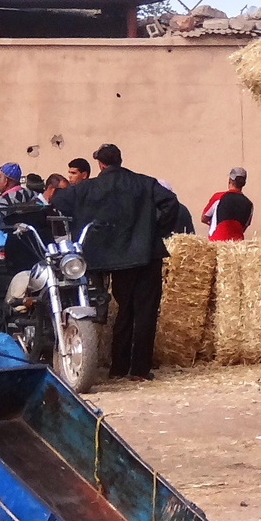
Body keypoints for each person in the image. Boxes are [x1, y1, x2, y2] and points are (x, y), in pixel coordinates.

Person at [53, 143, 178, 381]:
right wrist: (157, 230)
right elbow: (170, 202)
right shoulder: (145, 182)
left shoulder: (90, 187)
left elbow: (59, 200)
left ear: (100, 164)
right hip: (146, 254)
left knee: (123, 310)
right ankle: (139, 370)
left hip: (116, 259)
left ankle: (118, 367)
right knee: (146, 312)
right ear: (120, 160)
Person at [202, 166, 256, 241]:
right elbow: (243, 228)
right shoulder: (249, 205)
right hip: (237, 245)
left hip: (216, 242)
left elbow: (204, 218)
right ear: (244, 183)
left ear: (230, 181)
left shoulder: (218, 197)